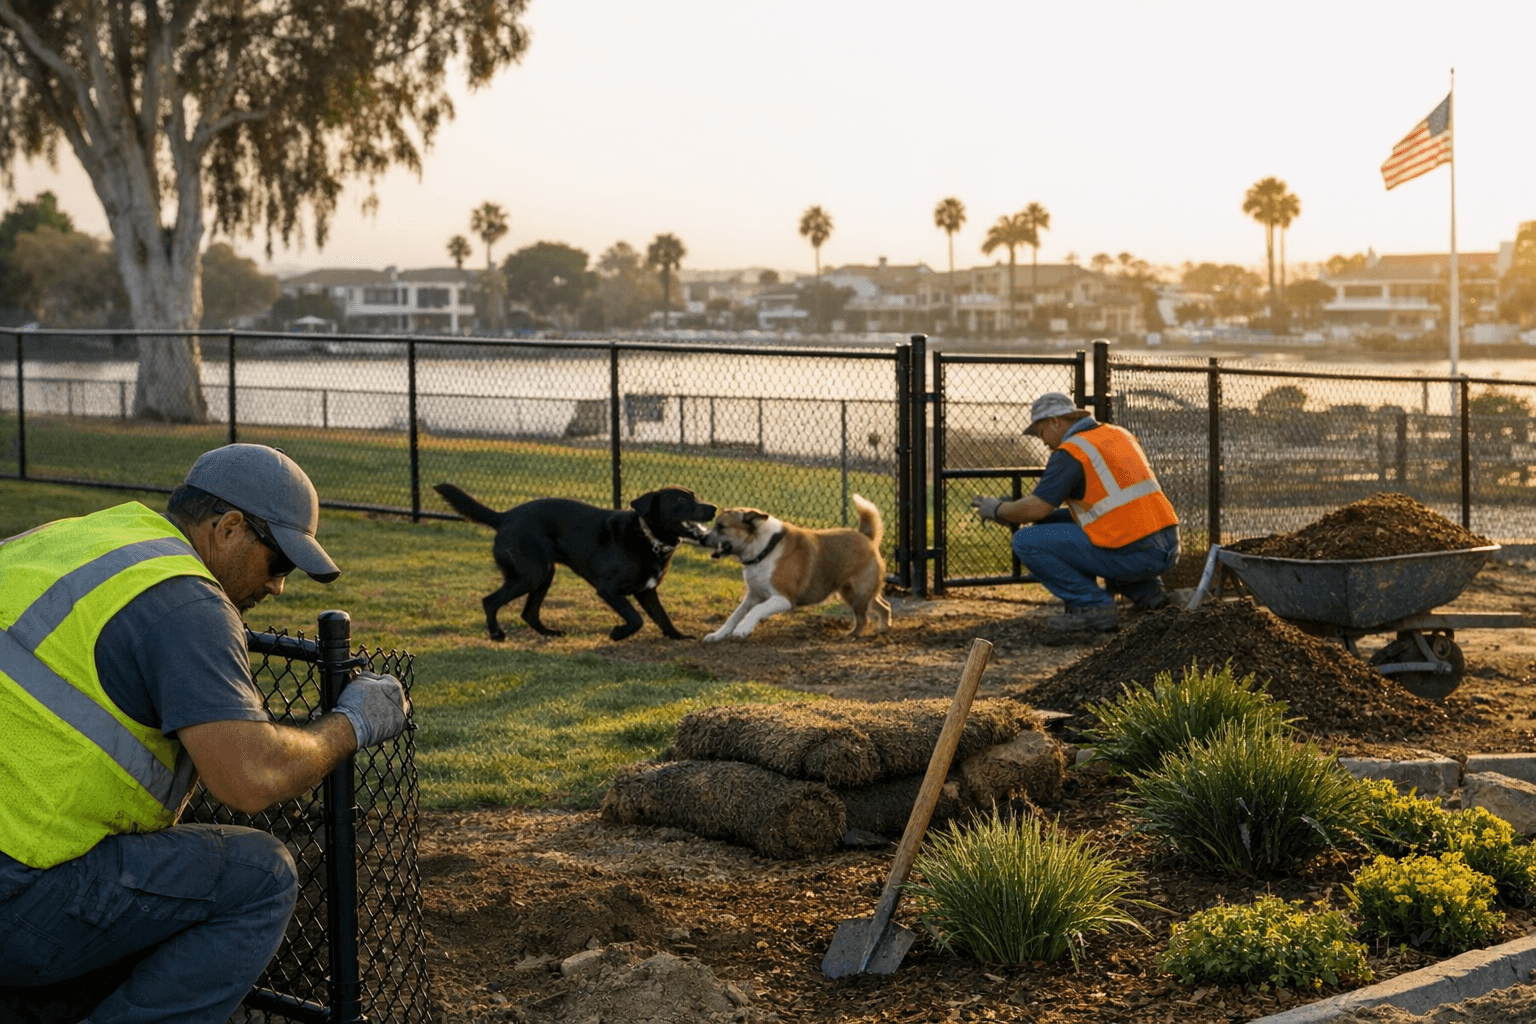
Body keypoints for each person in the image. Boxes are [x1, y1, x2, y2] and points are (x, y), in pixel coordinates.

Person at [0, 443, 409, 1023]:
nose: (278, 589)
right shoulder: (186, 600)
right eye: (279, 564)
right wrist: (351, 724)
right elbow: (247, 779)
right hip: (13, 892)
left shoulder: (78, 537)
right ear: (229, 528)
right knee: (262, 877)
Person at [971, 392, 1179, 632]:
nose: (1044, 442)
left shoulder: (1072, 451)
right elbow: (1105, 511)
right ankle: (1150, 595)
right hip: (1165, 547)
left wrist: (997, 509)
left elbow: (1037, 508)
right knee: (1078, 531)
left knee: (1026, 541)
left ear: (1054, 422)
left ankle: (1092, 607)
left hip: (1133, 553)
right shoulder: (1117, 434)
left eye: (1041, 434)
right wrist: (1017, 512)